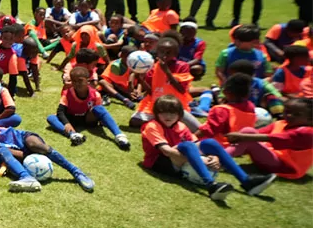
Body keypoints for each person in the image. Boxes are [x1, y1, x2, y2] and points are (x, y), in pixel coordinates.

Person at [140, 94, 275, 202]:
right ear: (157, 114)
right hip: (160, 161)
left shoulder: (181, 126)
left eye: (172, 113)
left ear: (179, 114)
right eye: (163, 113)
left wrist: (213, 157)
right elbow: (166, 151)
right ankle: (211, 185)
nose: (168, 116)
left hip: (178, 159)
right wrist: (200, 159)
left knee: (209, 143)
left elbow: (197, 145)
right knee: (187, 145)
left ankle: (246, 181)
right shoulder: (152, 126)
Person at [225, 97, 312, 181]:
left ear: (310, 120)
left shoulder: (307, 132)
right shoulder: (280, 123)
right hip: (271, 159)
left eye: (297, 114)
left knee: (249, 139)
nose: (289, 115)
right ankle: (222, 156)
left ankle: (220, 157)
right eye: (287, 111)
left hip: (286, 167)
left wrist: (242, 137)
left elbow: (276, 138)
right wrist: (242, 137)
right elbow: (257, 133)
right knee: (248, 131)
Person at [47, 66, 131, 150]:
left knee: (99, 108)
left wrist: (103, 120)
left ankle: (119, 135)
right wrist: (66, 123)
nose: (77, 84)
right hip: (72, 119)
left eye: (80, 81)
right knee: (51, 118)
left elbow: (99, 110)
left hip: (88, 119)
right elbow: (60, 111)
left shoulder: (95, 94)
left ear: (87, 81)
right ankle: (74, 135)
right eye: (74, 81)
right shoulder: (67, 93)